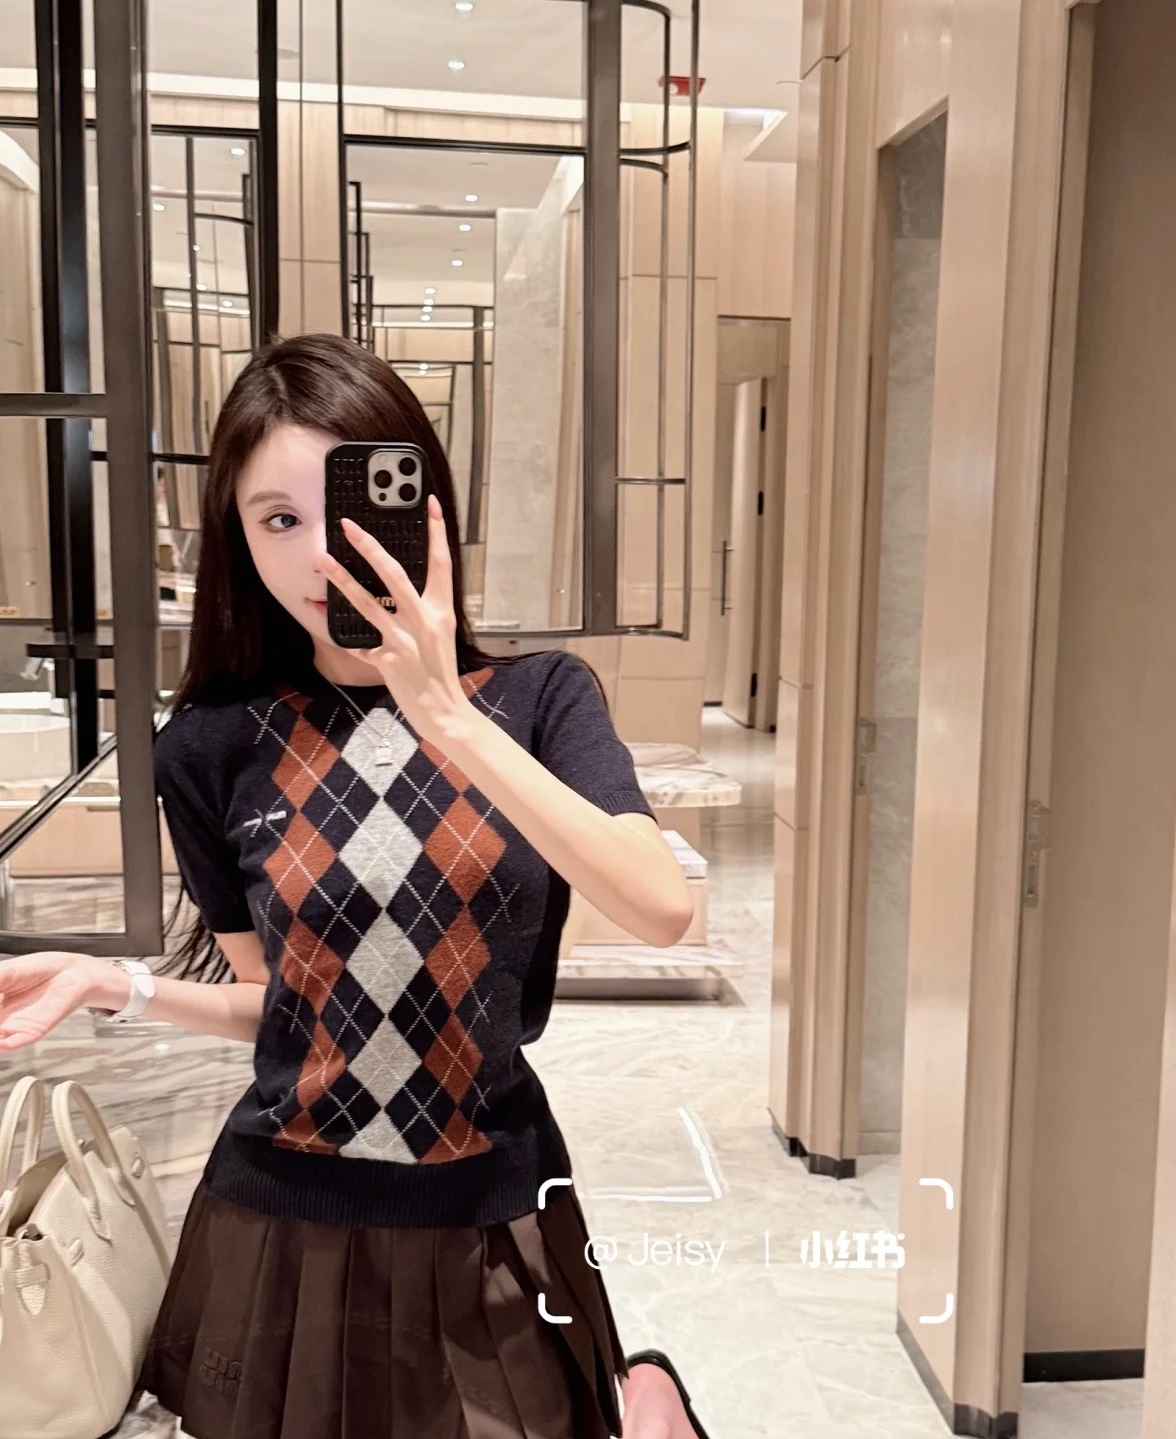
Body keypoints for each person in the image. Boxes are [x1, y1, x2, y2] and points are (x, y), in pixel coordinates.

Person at [0, 333, 712, 1439]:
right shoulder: (210, 746)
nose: (321, 553)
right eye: (277, 518)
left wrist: (445, 715)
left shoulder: (538, 700)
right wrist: (115, 985)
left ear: (422, 509)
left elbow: (661, 907)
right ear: (237, 539)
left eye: (345, 508)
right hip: (284, 1219)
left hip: (490, 1206)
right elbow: (281, 1006)